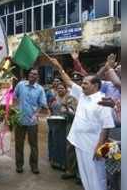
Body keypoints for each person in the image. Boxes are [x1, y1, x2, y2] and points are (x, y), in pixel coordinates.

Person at [49, 57, 115, 190]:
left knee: (97, 176)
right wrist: (58, 66)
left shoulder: (102, 100)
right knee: (85, 176)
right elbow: (68, 81)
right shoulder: (83, 95)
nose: (82, 85)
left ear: (95, 86)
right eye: (82, 83)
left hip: (92, 146)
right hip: (79, 142)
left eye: (85, 83)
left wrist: (99, 147)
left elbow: (106, 127)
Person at [13, 68, 49, 174]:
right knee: (19, 144)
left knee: (33, 145)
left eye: (35, 74)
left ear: (37, 77)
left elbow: (42, 105)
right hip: (19, 120)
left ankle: (34, 166)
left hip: (32, 122)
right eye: (31, 73)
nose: (32, 75)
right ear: (28, 75)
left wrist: (36, 114)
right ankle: (19, 165)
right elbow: (14, 98)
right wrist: (14, 110)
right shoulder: (20, 85)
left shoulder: (40, 89)